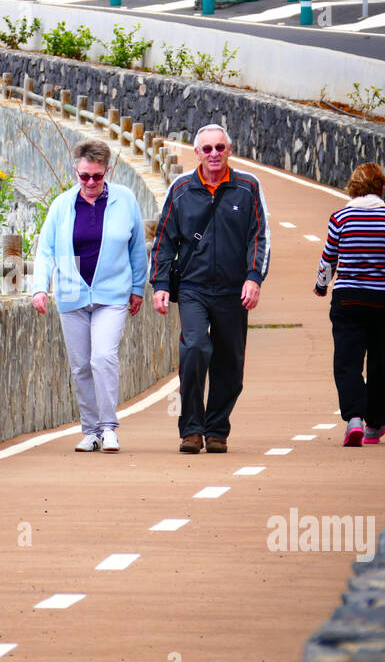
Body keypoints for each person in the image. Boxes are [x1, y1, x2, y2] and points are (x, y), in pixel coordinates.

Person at [150, 123, 270, 454]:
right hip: (193, 287)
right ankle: (191, 428)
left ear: (229, 150)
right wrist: (160, 284)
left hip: (233, 290)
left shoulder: (248, 187)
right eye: (207, 149)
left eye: (220, 147)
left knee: (230, 361)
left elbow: (259, 236)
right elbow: (163, 239)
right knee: (194, 349)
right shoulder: (181, 189)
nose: (214, 154)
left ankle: (217, 429)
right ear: (197, 153)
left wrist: (253, 278)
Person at [32, 138, 148, 453]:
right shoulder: (61, 206)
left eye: (98, 176)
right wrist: (40, 288)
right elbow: (45, 251)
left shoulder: (125, 200)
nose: (91, 182)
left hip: (112, 294)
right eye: (85, 176)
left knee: (103, 357)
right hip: (71, 295)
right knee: (81, 365)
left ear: (107, 171)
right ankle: (90, 430)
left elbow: (137, 248)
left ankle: (109, 428)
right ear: (75, 171)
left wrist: (138, 287)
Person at [314, 162, 385, 446]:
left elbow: (328, 259)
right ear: (382, 188)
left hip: (348, 299)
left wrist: (321, 286)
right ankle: (375, 425)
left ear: (354, 186)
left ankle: (354, 418)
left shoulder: (340, 219)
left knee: (347, 361)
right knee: (380, 363)